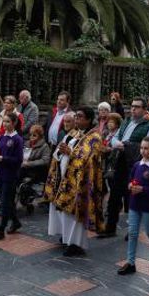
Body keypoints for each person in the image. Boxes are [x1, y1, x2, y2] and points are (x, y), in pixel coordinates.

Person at [45, 106, 105, 257]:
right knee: (66, 212)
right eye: (76, 117)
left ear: (89, 119)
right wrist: (61, 151)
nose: (76, 120)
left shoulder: (95, 138)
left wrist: (70, 153)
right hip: (66, 178)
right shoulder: (74, 133)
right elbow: (60, 150)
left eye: (80, 117)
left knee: (76, 213)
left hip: (81, 183)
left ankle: (76, 244)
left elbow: (90, 160)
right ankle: (67, 238)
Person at [100, 98, 149, 237]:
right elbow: (115, 137)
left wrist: (127, 145)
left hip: (136, 165)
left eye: (137, 107)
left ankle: (133, 229)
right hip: (120, 162)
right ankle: (110, 227)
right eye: (132, 106)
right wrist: (117, 143)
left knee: (133, 198)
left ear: (144, 109)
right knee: (114, 195)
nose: (133, 109)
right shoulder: (126, 122)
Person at [118, 137, 149, 275]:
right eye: (141, 148)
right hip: (135, 203)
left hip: (148, 205)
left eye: (146, 148)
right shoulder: (137, 165)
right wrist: (130, 185)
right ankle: (130, 262)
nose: (143, 151)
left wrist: (143, 189)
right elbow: (131, 179)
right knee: (132, 233)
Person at [0, 113, 24, 240]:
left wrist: (3, 158)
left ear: (14, 123)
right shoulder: (1, 138)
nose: (5, 124)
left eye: (8, 121)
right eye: (4, 121)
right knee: (8, 201)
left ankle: (1, 229)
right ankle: (15, 221)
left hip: (11, 174)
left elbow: (18, 159)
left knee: (4, 202)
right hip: (1, 173)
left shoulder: (17, 139)